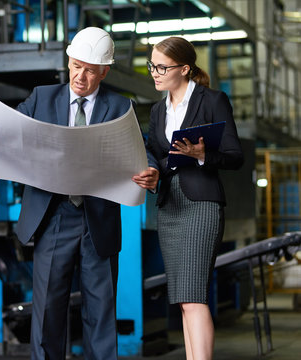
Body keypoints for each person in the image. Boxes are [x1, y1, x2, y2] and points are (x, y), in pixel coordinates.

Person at [0, 27, 152, 360]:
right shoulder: (41, 98)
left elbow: (140, 152)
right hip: (53, 216)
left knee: (101, 310)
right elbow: (5, 132)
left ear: (104, 71)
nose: (80, 76)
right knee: (47, 309)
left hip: (98, 220)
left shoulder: (120, 107)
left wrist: (151, 169)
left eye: (90, 70)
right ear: (69, 61)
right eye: (76, 66)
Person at [132, 36, 244, 360]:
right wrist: (152, 172)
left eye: (161, 67)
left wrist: (201, 153)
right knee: (183, 299)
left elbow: (235, 156)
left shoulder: (212, 100)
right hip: (170, 207)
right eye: (152, 65)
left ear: (184, 68)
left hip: (201, 205)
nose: (154, 72)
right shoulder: (156, 111)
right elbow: (154, 154)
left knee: (194, 297)